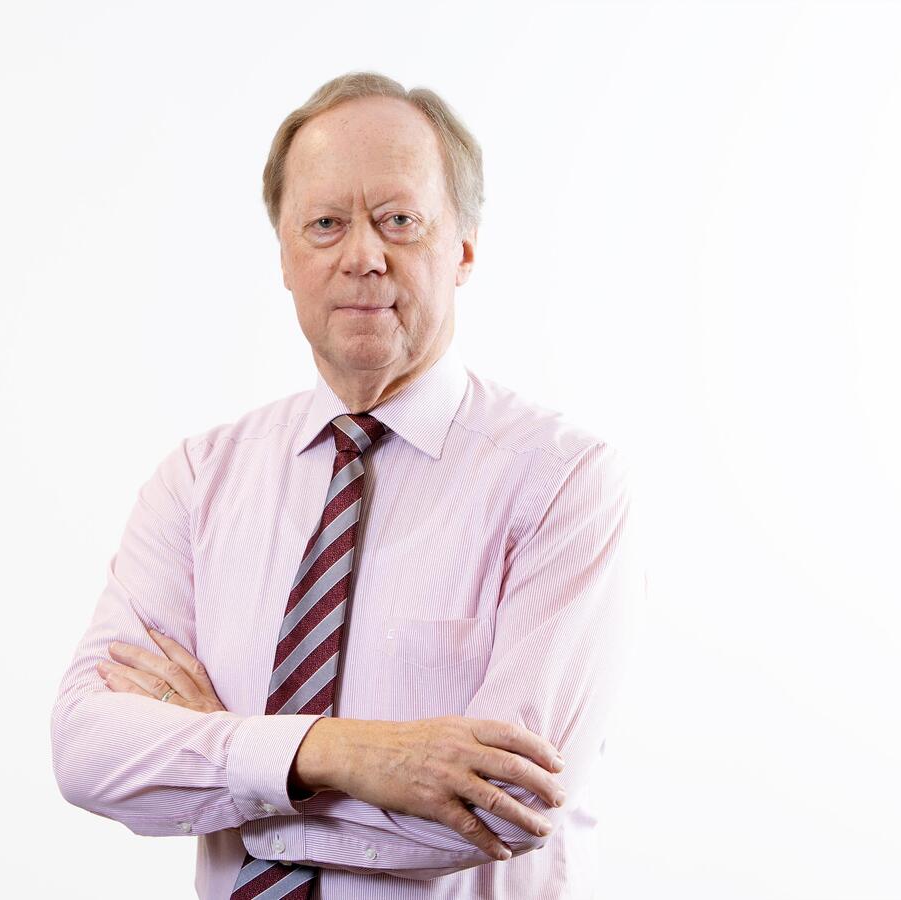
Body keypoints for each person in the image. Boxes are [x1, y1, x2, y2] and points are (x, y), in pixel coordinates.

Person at [50, 70, 645, 900]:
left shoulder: (562, 483)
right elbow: (86, 749)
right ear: (286, 258)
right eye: (325, 224)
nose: (362, 256)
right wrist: (342, 753)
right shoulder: (198, 482)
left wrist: (227, 765)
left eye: (399, 220)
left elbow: (505, 806)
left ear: (464, 248)